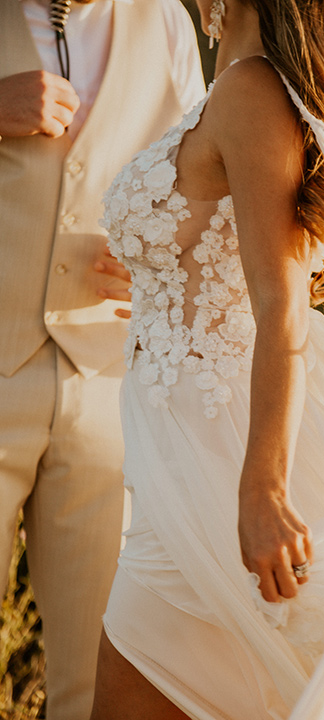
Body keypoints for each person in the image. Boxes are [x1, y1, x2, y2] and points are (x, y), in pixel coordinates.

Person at [90, 1, 324, 718]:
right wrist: (155, 282)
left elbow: (283, 305)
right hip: (177, 447)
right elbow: (221, 253)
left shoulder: (250, 92)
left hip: (222, 452)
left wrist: (262, 489)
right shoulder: (235, 89)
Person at [0, 1, 205, 718]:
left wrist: (161, 257)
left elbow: (200, 184)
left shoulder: (167, 23)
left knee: (100, 676)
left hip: (108, 384)